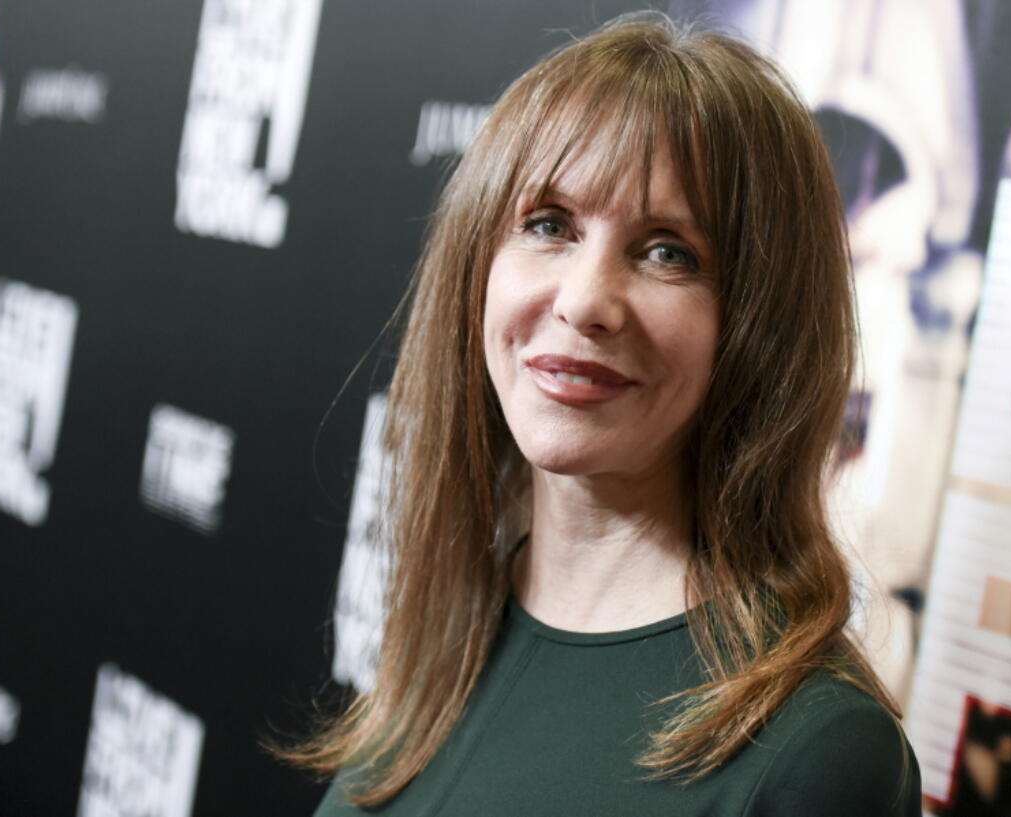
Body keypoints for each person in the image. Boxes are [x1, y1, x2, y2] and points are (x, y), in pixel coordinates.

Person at [292, 13, 920, 816]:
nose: (586, 300)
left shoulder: (816, 752)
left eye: (668, 251)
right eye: (549, 225)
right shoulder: (450, 636)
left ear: (761, 327)